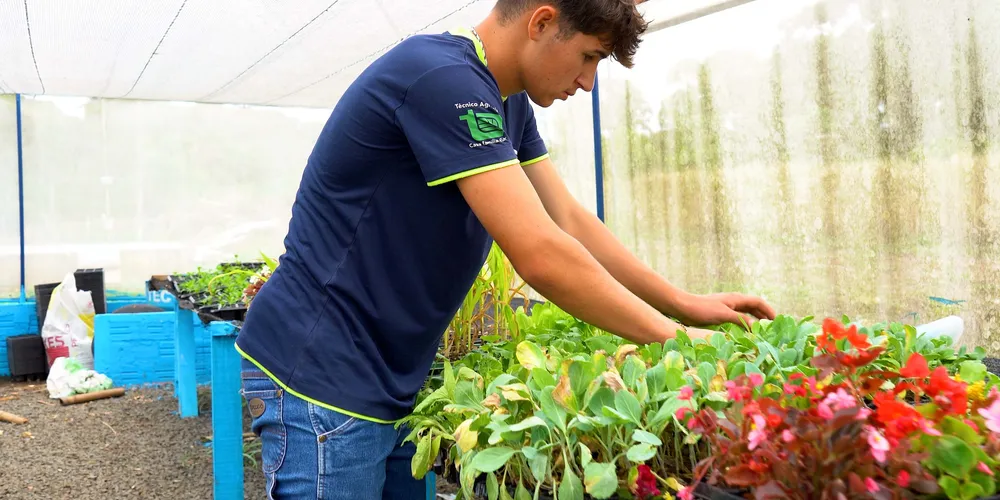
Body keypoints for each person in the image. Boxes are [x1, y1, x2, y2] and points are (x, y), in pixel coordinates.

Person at [234, 0, 777, 498]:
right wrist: (677, 340)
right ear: (541, 22)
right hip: (319, 372)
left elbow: (568, 221)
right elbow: (539, 252)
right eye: (588, 57)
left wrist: (683, 304)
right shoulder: (441, 78)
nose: (587, 83)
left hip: (387, 374)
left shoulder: (507, 103)